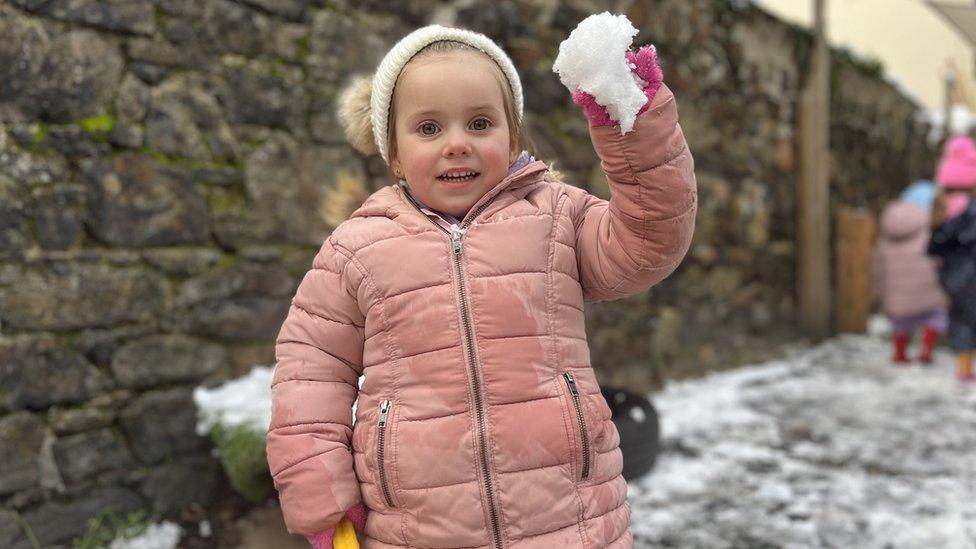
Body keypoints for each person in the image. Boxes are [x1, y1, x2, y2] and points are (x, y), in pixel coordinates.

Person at [266, 17, 697, 549]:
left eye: (479, 123)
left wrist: (631, 119)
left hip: (569, 522)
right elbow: (309, 376)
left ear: (511, 135)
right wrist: (322, 500)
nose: (456, 145)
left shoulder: (557, 218)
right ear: (394, 152)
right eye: (429, 128)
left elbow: (650, 239)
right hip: (417, 529)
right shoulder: (355, 250)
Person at [871, 181, 947, 364]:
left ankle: (899, 353)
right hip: (927, 292)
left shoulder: (887, 231)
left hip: (896, 295)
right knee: (936, 317)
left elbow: (878, 265)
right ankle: (927, 349)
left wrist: (880, 290)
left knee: (900, 323)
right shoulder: (929, 231)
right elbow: (939, 259)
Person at [928, 135, 976, 382]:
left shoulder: (942, 209)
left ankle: (964, 367)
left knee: (960, 320)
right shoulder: (969, 211)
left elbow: (933, 245)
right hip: (968, 273)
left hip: (951, 275)